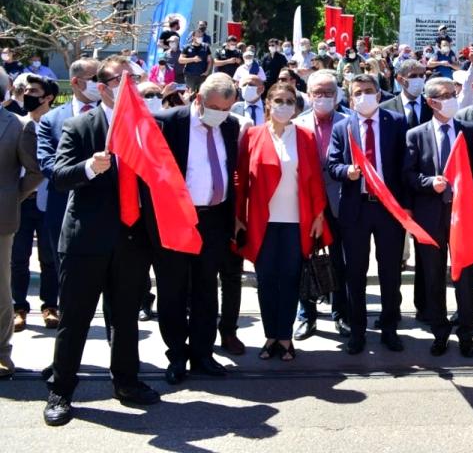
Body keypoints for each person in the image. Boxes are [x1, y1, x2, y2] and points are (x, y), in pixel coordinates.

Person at [44, 56, 160, 427]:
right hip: (86, 241)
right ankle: (61, 390)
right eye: (122, 81)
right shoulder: (81, 126)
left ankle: (126, 382)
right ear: (104, 87)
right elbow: (60, 177)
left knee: (124, 318)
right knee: (75, 319)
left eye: (135, 80)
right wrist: (90, 168)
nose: (131, 87)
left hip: (131, 240)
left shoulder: (147, 127)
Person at [152, 73, 241, 384]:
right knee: (173, 288)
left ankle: (203, 353)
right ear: (198, 99)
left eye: (227, 109)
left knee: (206, 287)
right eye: (216, 107)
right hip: (175, 218)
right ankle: (176, 354)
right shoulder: (168, 122)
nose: (222, 114)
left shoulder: (230, 125)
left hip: (214, 219)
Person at [235, 82, 330, 362]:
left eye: (290, 101)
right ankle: (270, 336)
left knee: (289, 280)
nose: (284, 105)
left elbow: (314, 179)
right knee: (265, 281)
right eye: (279, 100)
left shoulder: (306, 136)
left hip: (295, 221)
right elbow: (240, 180)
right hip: (261, 222)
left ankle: (285, 337)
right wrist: (239, 217)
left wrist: (318, 215)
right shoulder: (252, 135)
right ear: (268, 104)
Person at [327, 73, 409, 354]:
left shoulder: (395, 122)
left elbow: (404, 165)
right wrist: (346, 172)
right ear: (351, 97)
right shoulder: (342, 127)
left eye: (369, 90)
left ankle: (389, 328)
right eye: (358, 91)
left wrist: (404, 206)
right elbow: (332, 164)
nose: (364, 95)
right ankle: (358, 331)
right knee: (356, 273)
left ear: (378, 94)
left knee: (389, 273)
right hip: (356, 208)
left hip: (388, 208)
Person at [402, 78, 473, 357]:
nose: (451, 99)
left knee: (465, 276)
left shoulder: (469, 131)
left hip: (463, 216)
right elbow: (408, 175)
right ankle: (440, 331)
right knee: (433, 277)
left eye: (453, 94)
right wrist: (427, 182)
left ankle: (467, 332)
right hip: (430, 215)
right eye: (445, 95)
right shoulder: (416, 134)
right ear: (431, 102)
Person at [33, 59, 100, 331]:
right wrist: (86, 171)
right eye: (94, 77)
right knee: (66, 277)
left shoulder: (113, 115)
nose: (100, 83)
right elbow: (47, 164)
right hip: (62, 207)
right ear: (75, 82)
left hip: (107, 209)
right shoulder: (52, 119)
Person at [293, 70, 352, 339]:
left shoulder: (349, 123)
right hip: (306, 203)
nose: (323, 98)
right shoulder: (297, 124)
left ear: (338, 94)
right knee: (304, 259)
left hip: (340, 201)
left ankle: (340, 313)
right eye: (318, 93)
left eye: (329, 93)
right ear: (308, 94)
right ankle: (306, 316)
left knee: (340, 260)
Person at [0, 94, 44, 380]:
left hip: (1, 217)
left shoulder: (17, 125)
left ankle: (1, 352)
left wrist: (13, 195)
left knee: (0, 288)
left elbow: (36, 170)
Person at [10, 74, 58, 333]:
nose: (27, 93)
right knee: (18, 258)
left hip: (49, 200)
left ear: (48, 97)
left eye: (34, 90)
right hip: (20, 200)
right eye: (25, 89)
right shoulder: (17, 124)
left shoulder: (59, 123)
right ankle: (19, 307)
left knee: (49, 258)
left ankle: (50, 306)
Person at [382, 59, 429, 126]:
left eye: (421, 76)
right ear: (400, 79)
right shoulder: (385, 108)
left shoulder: (432, 106)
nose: (418, 79)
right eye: (413, 76)